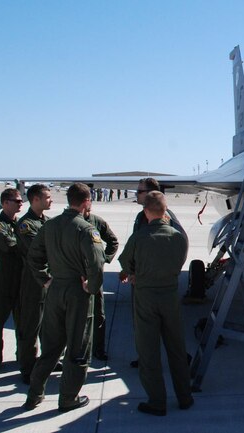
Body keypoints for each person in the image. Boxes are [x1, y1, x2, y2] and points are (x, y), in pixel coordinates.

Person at [23, 182, 105, 413]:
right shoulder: (87, 229)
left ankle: (34, 395)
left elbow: (33, 257)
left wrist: (46, 280)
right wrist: (92, 286)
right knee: (78, 348)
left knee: (50, 347)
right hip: (78, 292)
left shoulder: (50, 226)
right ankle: (68, 398)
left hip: (55, 289)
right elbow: (96, 264)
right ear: (87, 201)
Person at [119, 191, 194, 415]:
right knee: (177, 349)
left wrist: (133, 274)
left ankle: (157, 402)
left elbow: (125, 263)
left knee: (148, 351)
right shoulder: (178, 237)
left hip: (146, 297)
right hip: (170, 296)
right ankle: (185, 397)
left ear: (145, 211)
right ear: (165, 211)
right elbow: (180, 260)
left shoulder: (139, 237)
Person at [125, 177, 187, 368]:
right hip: (142, 280)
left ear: (150, 194)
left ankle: (178, 362)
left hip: (153, 284)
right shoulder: (142, 216)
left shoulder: (164, 216)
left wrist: (170, 271)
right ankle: (146, 358)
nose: (137, 194)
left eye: (140, 191)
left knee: (166, 329)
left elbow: (180, 242)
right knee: (145, 328)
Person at [16, 183, 53, 384]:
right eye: (47, 197)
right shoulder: (26, 225)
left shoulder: (45, 222)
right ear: (36, 199)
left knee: (48, 324)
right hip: (33, 280)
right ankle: (28, 367)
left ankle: (47, 360)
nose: (51, 200)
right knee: (31, 325)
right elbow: (38, 252)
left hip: (48, 278)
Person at [0, 188, 25, 371]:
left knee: (24, 323)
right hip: (3, 279)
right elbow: (12, 246)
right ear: (5, 202)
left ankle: (23, 356)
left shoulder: (23, 224)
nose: (21, 202)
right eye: (17, 200)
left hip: (22, 278)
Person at [85, 209, 119, 361]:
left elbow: (113, 241)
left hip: (94, 274)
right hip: (73, 275)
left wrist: (103, 260)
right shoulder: (65, 222)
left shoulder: (97, 222)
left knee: (99, 312)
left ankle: (98, 348)